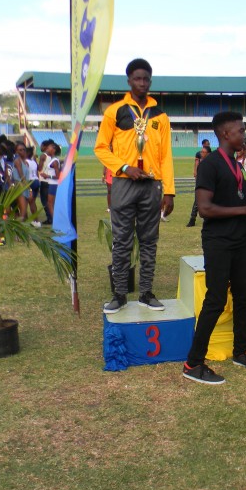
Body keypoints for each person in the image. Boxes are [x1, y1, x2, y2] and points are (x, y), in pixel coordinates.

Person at [182, 111, 246, 385]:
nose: (244, 134)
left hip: (241, 240)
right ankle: (193, 363)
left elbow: (238, 198)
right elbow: (205, 209)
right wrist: (244, 210)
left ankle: (241, 352)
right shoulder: (210, 164)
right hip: (218, 242)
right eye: (241, 130)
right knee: (216, 300)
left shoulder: (237, 164)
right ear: (225, 134)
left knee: (243, 297)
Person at [94, 58, 175, 313]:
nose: (142, 83)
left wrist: (169, 191)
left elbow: (166, 155)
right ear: (129, 81)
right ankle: (119, 294)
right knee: (122, 241)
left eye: (146, 79)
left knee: (149, 240)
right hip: (124, 183)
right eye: (137, 78)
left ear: (150, 81)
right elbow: (100, 148)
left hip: (152, 185)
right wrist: (124, 167)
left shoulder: (160, 116)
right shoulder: (115, 111)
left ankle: (146, 293)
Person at [186, 139, 211, 227]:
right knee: (197, 200)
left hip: (208, 183)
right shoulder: (199, 158)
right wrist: (195, 173)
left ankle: (208, 219)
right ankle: (192, 219)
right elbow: (196, 164)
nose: (201, 153)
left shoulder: (211, 160)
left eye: (203, 152)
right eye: (201, 152)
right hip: (200, 182)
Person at [25, 146, 42, 226]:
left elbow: (25, 173)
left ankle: (26, 221)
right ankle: (36, 221)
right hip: (36, 181)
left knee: (25, 202)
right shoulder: (34, 162)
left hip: (29, 182)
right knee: (32, 202)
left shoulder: (26, 162)